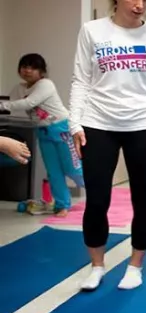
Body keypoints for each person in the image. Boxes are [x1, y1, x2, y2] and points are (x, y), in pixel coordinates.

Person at [69, 0, 146, 291]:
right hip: (98, 123)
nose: (139, 4)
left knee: (142, 200)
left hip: (143, 125)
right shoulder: (92, 30)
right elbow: (80, 80)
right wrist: (75, 123)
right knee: (96, 200)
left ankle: (135, 266)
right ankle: (96, 265)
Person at [0, 53, 84, 216]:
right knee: (53, 171)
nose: (27, 70)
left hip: (62, 129)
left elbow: (28, 103)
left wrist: (3, 105)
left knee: (73, 170)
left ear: (42, 72)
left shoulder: (46, 84)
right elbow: (14, 105)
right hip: (43, 131)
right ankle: (62, 205)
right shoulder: (19, 88)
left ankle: (101, 194)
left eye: (33, 67)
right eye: (24, 67)